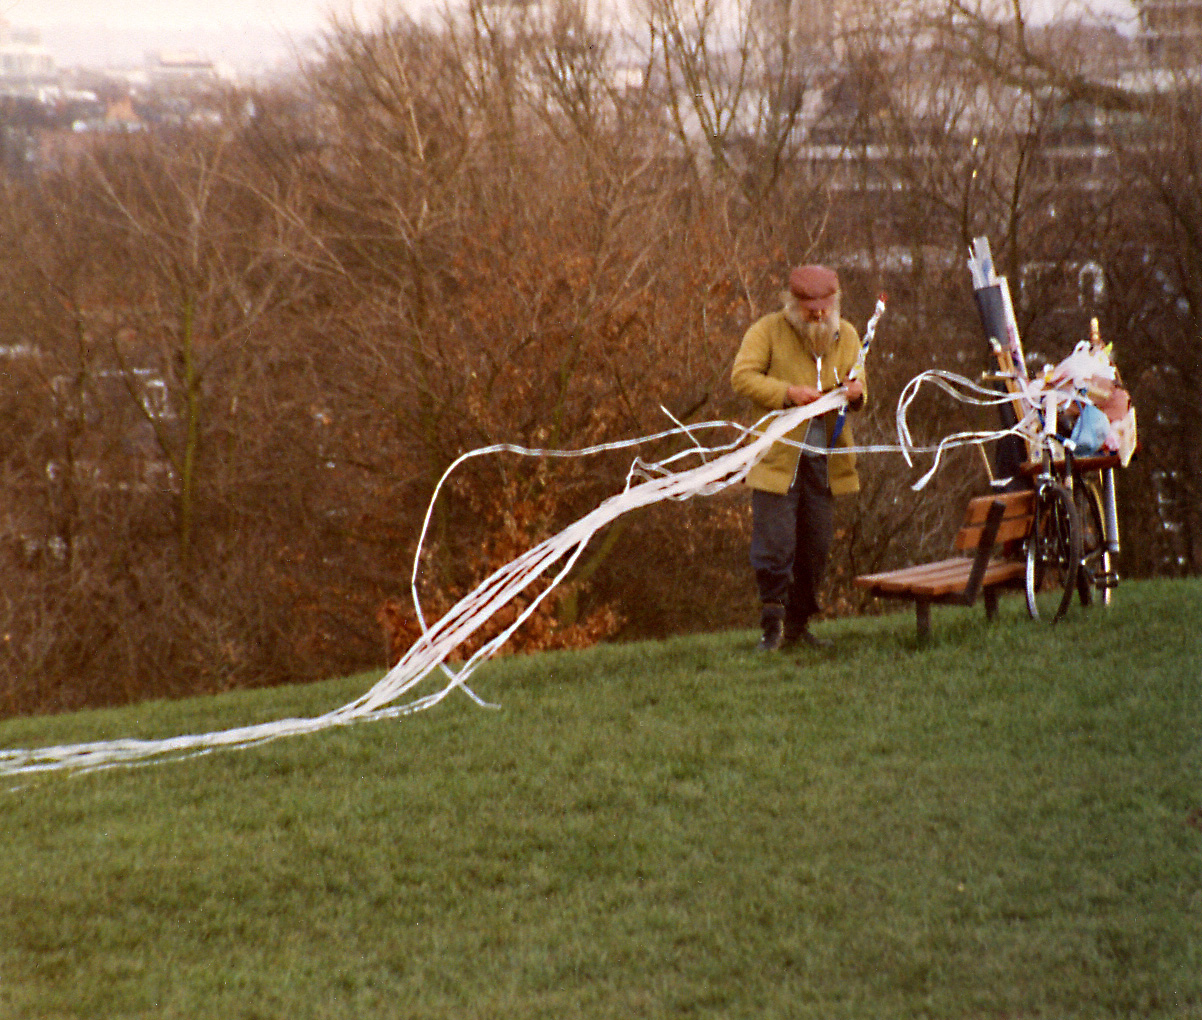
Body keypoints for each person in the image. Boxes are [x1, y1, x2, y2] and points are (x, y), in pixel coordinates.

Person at [731, 264, 866, 651]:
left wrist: (857, 393)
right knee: (774, 546)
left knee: (816, 546)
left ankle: (798, 626)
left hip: (826, 460)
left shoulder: (850, 334)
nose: (819, 314)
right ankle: (771, 628)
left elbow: (860, 380)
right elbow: (742, 376)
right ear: (792, 303)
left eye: (825, 306)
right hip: (777, 460)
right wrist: (788, 392)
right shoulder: (767, 330)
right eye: (810, 308)